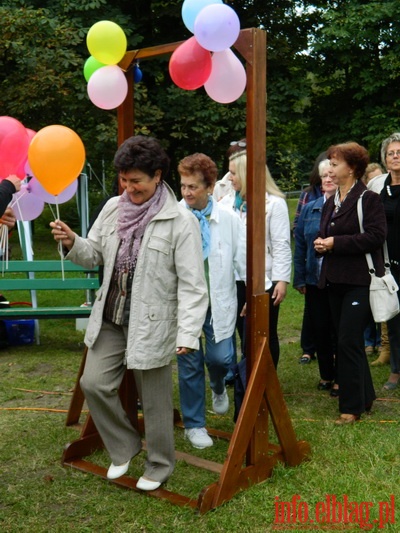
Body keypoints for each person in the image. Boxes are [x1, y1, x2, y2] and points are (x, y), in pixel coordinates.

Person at [50, 136, 208, 490]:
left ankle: (159, 465)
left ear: (157, 175)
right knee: (93, 383)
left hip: (152, 323)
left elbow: (194, 285)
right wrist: (73, 242)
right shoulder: (112, 208)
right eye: (124, 179)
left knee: (154, 402)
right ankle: (124, 446)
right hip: (111, 318)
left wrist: (186, 333)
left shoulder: (180, 221)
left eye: (136, 180)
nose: (129, 187)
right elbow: (94, 254)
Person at [314, 142, 386, 424]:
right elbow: (325, 233)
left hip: (360, 281)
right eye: (330, 163)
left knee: (347, 341)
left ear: (352, 168)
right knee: (348, 341)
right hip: (334, 280)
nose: (330, 169)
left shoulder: (368, 199)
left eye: (335, 163)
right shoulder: (332, 200)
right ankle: (366, 396)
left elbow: (375, 236)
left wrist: (336, 243)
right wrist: (322, 244)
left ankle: (351, 407)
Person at [178, 153, 246, 449]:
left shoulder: (229, 219)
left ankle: (218, 385)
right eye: (183, 186)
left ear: (208, 187)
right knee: (189, 364)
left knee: (220, 359)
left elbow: (241, 261)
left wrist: (250, 295)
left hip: (218, 302)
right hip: (186, 305)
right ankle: (194, 424)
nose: (187, 193)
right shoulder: (175, 218)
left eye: (193, 187)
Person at [224, 149, 291, 367]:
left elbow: (281, 244)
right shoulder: (228, 203)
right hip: (235, 278)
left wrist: (281, 279)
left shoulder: (274, 203)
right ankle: (249, 375)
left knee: (265, 331)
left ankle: (266, 381)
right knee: (243, 331)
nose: (230, 178)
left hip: (266, 278)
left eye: (234, 173)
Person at [293, 159, 337, 394]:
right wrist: (299, 278)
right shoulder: (311, 208)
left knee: (338, 329)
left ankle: (340, 375)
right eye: (324, 176)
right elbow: (299, 244)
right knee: (319, 328)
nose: (327, 180)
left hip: (338, 279)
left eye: (332, 175)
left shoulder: (346, 208)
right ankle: (326, 375)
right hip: (314, 278)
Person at [368, 133, 400, 389]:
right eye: (391, 153)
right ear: (385, 159)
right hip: (390, 263)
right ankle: (396, 370)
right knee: (394, 318)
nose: (396, 156)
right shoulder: (378, 187)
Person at [293, 152, 326, 365]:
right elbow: (297, 227)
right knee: (311, 309)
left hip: (329, 263)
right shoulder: (308, 196)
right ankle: (308, 348)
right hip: (311, 259)